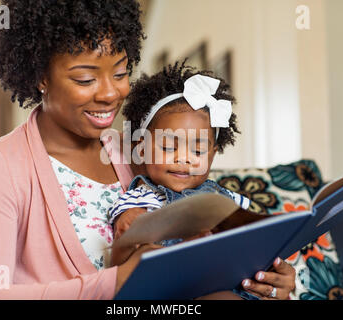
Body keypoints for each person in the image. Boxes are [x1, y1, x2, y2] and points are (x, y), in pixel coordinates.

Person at [0, 0, 294, 300]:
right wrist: (116, 281)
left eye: (120, 72)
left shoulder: (136, 151)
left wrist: (261, 278)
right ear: (40, 76)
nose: (110, 93)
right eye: (85, 79)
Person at [109, 62, 296, 300]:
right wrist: (130, 219)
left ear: (213, 154)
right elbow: (125, 222)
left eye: (197, 151)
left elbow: (253, 238)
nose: (184, 159)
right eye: (168, 146)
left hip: (230, 284)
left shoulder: (229, 199)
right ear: (142, 150)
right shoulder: (142, 196)